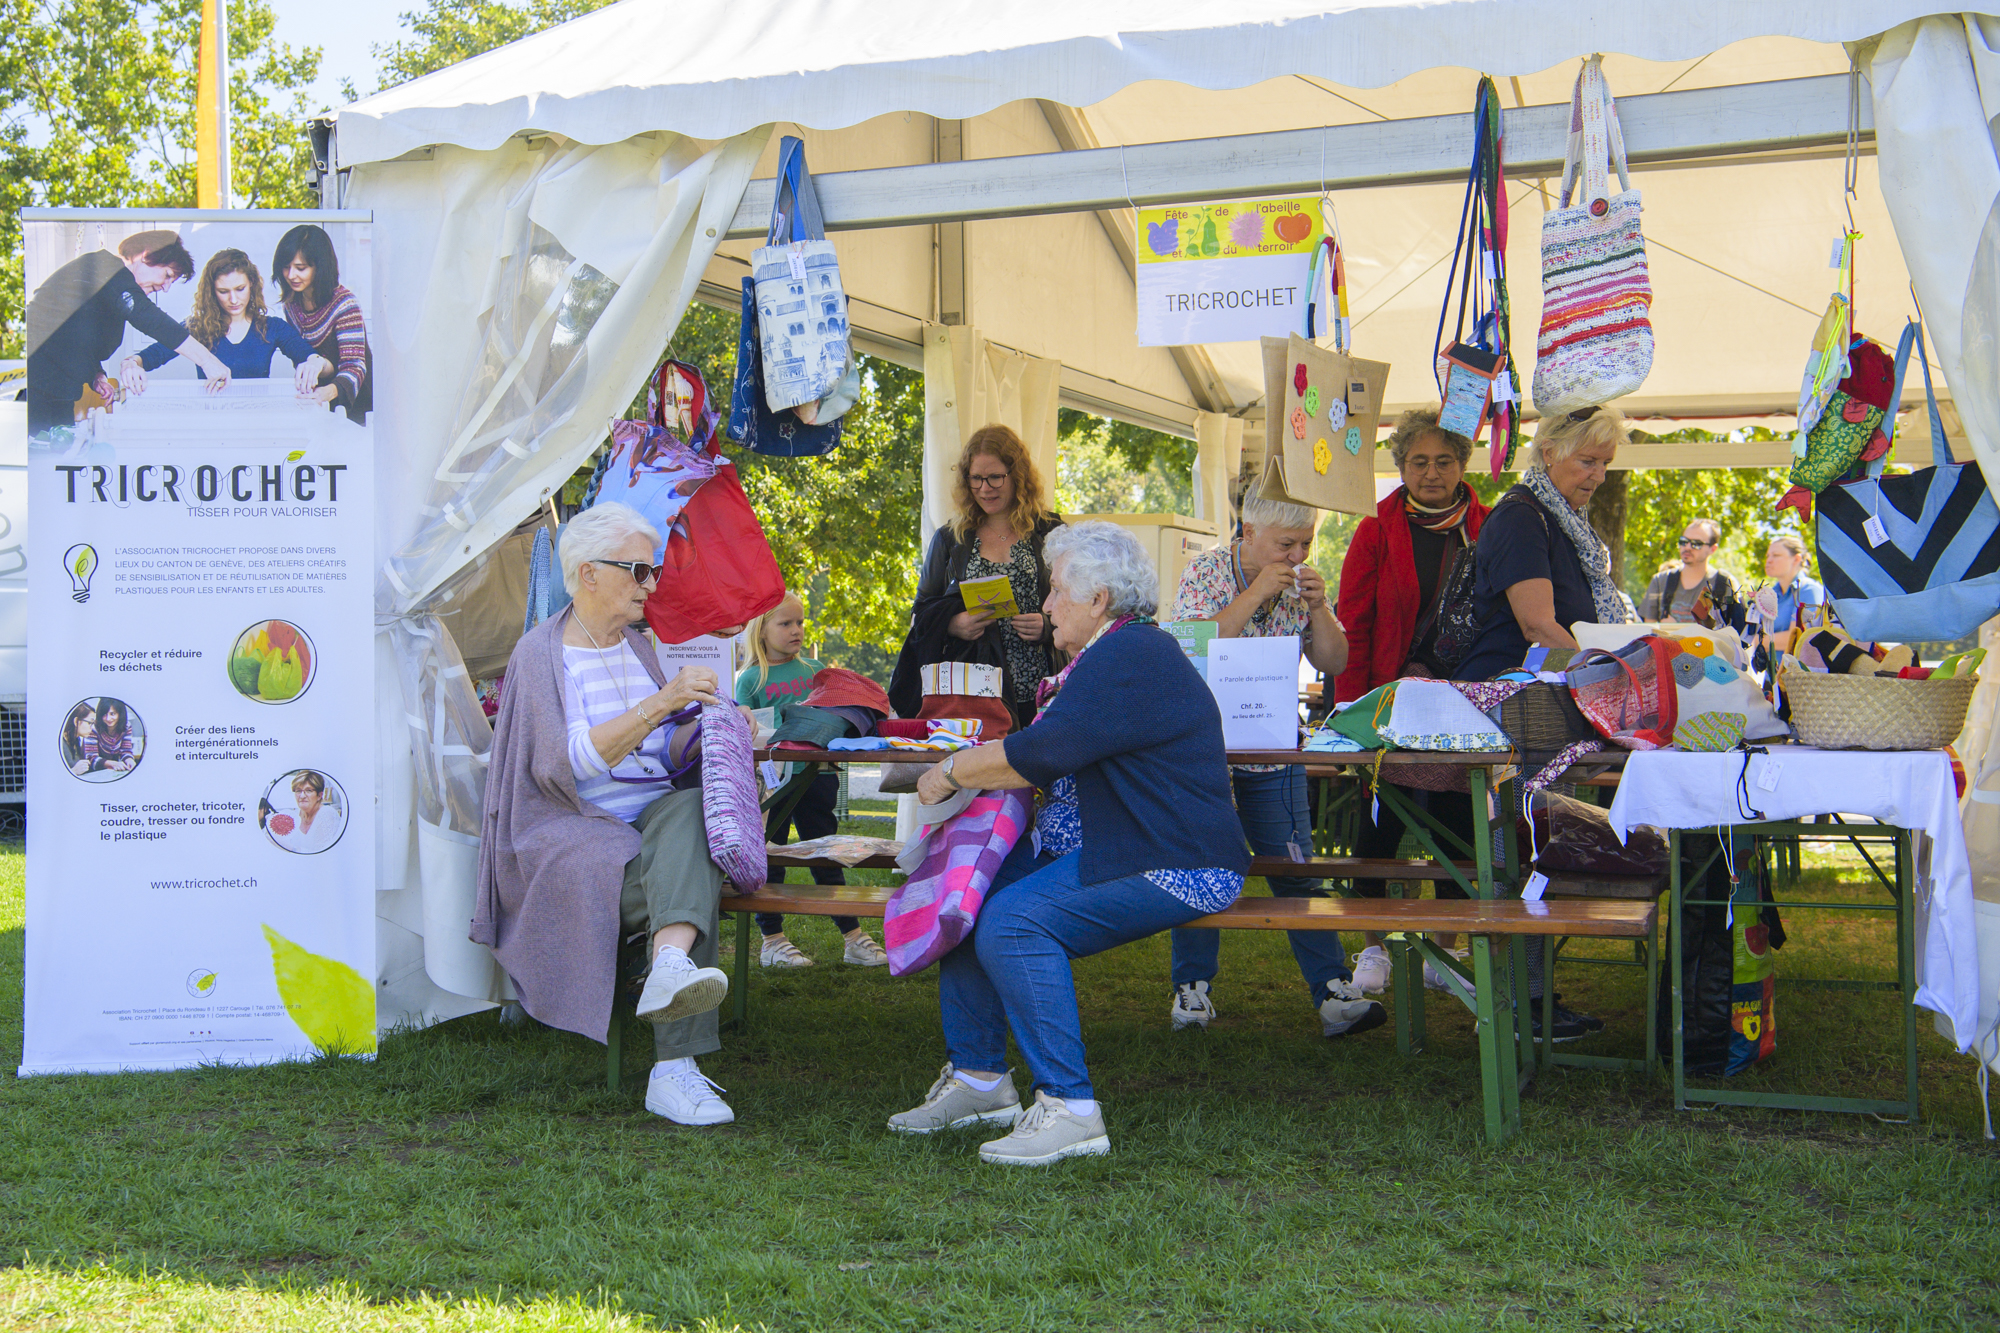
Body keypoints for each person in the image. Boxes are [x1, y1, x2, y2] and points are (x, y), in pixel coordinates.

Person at [889, 522, 1247, 1165]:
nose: (1046, 606)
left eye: (1056, 592)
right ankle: (978, 1080)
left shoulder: (1132, 654)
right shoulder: (1114, 653)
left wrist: (950, 771)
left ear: (1099, 599)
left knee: (1012, 923)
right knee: (971, 893)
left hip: (1174, 858)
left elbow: (1044, 753)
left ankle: (1071, 1108)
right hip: (1122, 839)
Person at [474, 501, 743, 1127]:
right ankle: (674, 1067)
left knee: (688, 812)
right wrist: (663, 702)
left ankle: (669, 969)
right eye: (639, 572)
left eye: (652, 572)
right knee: (690, 864)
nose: (651, 585)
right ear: (588, 572)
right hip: (573, 833)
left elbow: (662, 752)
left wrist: (712, 720)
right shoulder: (541, 655)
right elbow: (564, 766)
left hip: (651, 827)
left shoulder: (635, 646)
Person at [1163, 493, 1381, 1039]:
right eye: (1286, 544)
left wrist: (1320, 609)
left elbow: (1334, 662)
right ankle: (1192, 989)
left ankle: (1332, 989)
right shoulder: (1207, 572)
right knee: (1198, 864)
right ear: (1248, 530)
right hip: (1204, 750)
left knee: (1295, 866)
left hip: (1274, 746)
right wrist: (1257, 591)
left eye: (1306, 542)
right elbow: (1192, 650)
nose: (1299, 553)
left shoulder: (1299, 587)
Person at [1454, 405, 1638, 1041]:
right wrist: (1613, 680)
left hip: (1545, 709)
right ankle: (1512, 1006)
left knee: (1536, 851)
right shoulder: (1519, 518)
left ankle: (1528, 999)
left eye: (1606, 464)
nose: (1597, 476)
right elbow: (1537, 627)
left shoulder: (1563, 521)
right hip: (1515, 708)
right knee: (1519, 851)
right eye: (1587, 461)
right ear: (1549, 451)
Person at [1335, 409, 1491, 996]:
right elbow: (1353, 622)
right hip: (1390, 702)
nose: (1431, 472)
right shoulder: (1375, 529)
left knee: (1456, 827)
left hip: (1463, 701)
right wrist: (1353, 707)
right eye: (1419, 461)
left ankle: (1444, 953)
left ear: (1462, 466)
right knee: (1380, 823)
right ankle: (1373, 948)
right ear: (1401, 466)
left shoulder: (1488, 526)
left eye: (1444, 461)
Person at [734, 592, 888, 969]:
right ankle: (772, 940)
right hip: (773, 786)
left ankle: (853, 937)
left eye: (800, 622)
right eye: (785, 623)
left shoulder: (816, 670)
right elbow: (748, 735)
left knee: (827, 854)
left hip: (818, 779)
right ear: (761, 629)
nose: (796, 630)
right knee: (770, 857)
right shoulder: (751, 679)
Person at [889, 426, 1061, 732]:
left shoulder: (1049, 532)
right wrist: (953, 624)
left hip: (1044, 689)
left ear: (1017, 475)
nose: (985, 488)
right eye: (976, 478)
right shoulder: (950, 539)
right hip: (975, 692)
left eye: (995, 477)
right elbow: (921, 610)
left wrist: (1047, 627)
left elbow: (1081, 602)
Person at [24, 230, 233, 435]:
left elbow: (71, 332)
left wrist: (96, 374)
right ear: (146, 255)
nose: (166, 287)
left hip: (56, 393)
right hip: (36, 392)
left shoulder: (107, 282)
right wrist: (207, 361)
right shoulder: (106, 269)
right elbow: (148, 317)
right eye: (168, 275)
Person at [123, 249, 329, 394]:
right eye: (223, 291)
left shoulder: (272, 328)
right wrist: (132, 364)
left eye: (240, 289)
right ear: (212, 293)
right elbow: (151, 356)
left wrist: (315, 363)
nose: (233, 300)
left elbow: (319, 362)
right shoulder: (197, 328)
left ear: (252, 285)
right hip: (212, 421)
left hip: (258, 422)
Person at [271, 224, 371, 423]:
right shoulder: (291, 304)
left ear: (320, 266)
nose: (291, 275)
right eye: (286, 267)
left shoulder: (344, 304)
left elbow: (355, 366)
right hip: (317, 404)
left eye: (301, 268)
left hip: (358, 405)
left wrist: (328, 392)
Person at [1637, 518, 1746, 631]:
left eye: (1696, 544)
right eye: (1683, 541)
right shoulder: (1660, 581)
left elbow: (1738, 635)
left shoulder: (1725, 584)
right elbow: (1648, 631)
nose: (1687, 547)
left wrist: (1677, 630)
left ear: (1712, 549)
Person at [1748, 534, 1824, 680]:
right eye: (1768, 555)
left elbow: (1798, 638)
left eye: (1776, 555)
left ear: (1797, 559)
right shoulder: (1770, 594)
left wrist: (1760, 641)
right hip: (1771, 681)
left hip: (1799, 683)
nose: (1769, 560)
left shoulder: (1809, 590)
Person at [267, 771, 345, 853]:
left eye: (308, 790)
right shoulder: (294, 815)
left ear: (319, 795)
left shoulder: (327, 813)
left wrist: (291, 849)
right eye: (298, 791)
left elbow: (323, 855)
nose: (302, 796)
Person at [91, 698, 138, 774]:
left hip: (113, 771)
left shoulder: (126, 726)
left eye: (112, 714)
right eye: (104, 714)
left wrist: (129, 760)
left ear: (120, 713)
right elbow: (91, 758)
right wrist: (111, 763)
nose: (108, 718)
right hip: (94, 772)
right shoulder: (94, 727)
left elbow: (126, 750)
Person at [60, 702, 96, 777]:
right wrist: (73, 771)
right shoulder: (60, 742)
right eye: (89, 723)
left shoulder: (77, 740)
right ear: (76, 721)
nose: (91, 728)